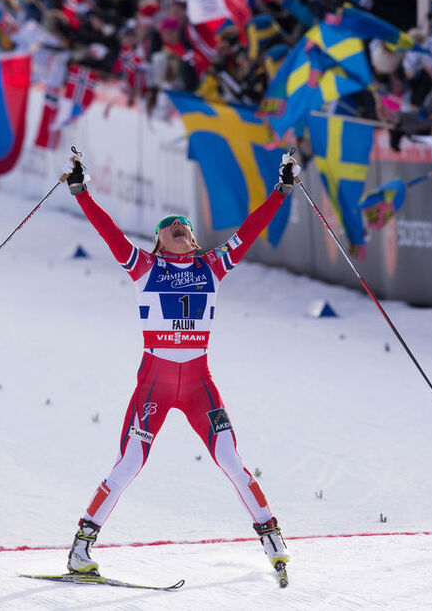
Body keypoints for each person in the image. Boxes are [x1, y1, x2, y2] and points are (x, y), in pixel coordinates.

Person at [59, 148, 301, 582]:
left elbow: (248, 232)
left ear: (193, 240)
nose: (178, 228)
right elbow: (109, 232)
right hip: (154, 383)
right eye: (170, 227)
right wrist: (82, 192)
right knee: (130, 463)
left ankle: (273, 540)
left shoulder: (212, 266)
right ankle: (81, 547)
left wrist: (281, 192)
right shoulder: (144, 267)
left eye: (185, 227)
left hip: (198, 385)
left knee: (231, 460)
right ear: (157, 241)